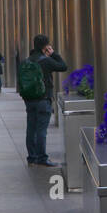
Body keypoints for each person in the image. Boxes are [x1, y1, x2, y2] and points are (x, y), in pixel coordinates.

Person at [20, 34, 67, 166]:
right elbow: (63, 66)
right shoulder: (46, 61)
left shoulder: (26, 61)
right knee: (41, 130)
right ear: (45, 46)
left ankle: (32, 157)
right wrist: (53, 54)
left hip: (29, 99)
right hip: (43, 99)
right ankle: (42, 158)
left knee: (31, 128)